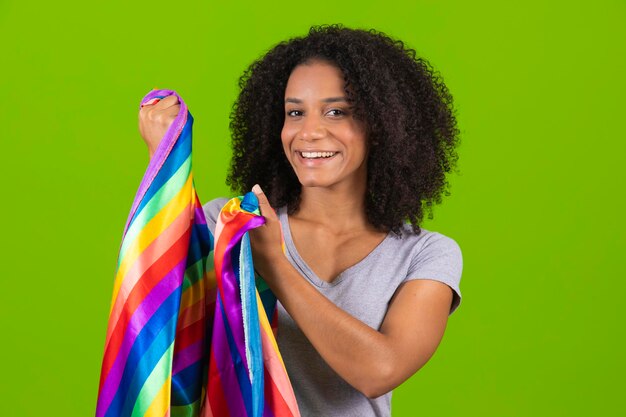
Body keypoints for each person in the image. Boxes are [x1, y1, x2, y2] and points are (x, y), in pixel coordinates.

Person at [139, 24, 462, 417]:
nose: (308, 132)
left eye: (336, 111)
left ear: (382, 125)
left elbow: (381, 370)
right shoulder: (230, 224)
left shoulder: (425, 254)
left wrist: (273, 264)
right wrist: (165, 160)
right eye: (295, 112)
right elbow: (160, 318)